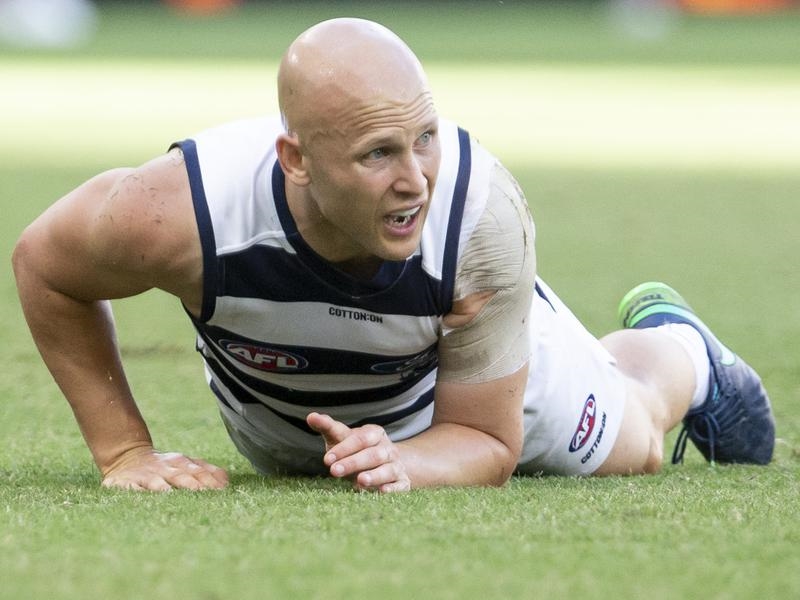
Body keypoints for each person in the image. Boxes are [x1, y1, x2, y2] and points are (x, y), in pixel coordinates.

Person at [12, 18, 775, 493]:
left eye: (426, 138)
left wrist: (409, 460)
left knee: (635, 441)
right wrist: (125, 453)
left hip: (452, 391)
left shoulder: (478, 220)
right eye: (379, 153)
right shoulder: (179, 210)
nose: (416, 180)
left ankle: (682, 351)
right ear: (296, 159)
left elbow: (486, 442)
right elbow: (45, 266)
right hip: (282, 433)